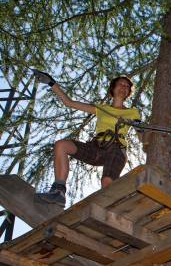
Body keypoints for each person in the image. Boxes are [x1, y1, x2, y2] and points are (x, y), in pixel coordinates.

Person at [32, 70, 141, 206]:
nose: (124, 87)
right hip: (95, 147)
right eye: (121, 84)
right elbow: (69, 102)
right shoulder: (101, 109)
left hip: (116, 149)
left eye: (127, 86)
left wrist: (140, 128)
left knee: (107, 181)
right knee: (61, 145)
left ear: (128, 93)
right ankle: (58, 192)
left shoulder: (133, 112)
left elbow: (142, 135)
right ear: (113, 88)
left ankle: (109, 208)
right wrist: (51, 82)